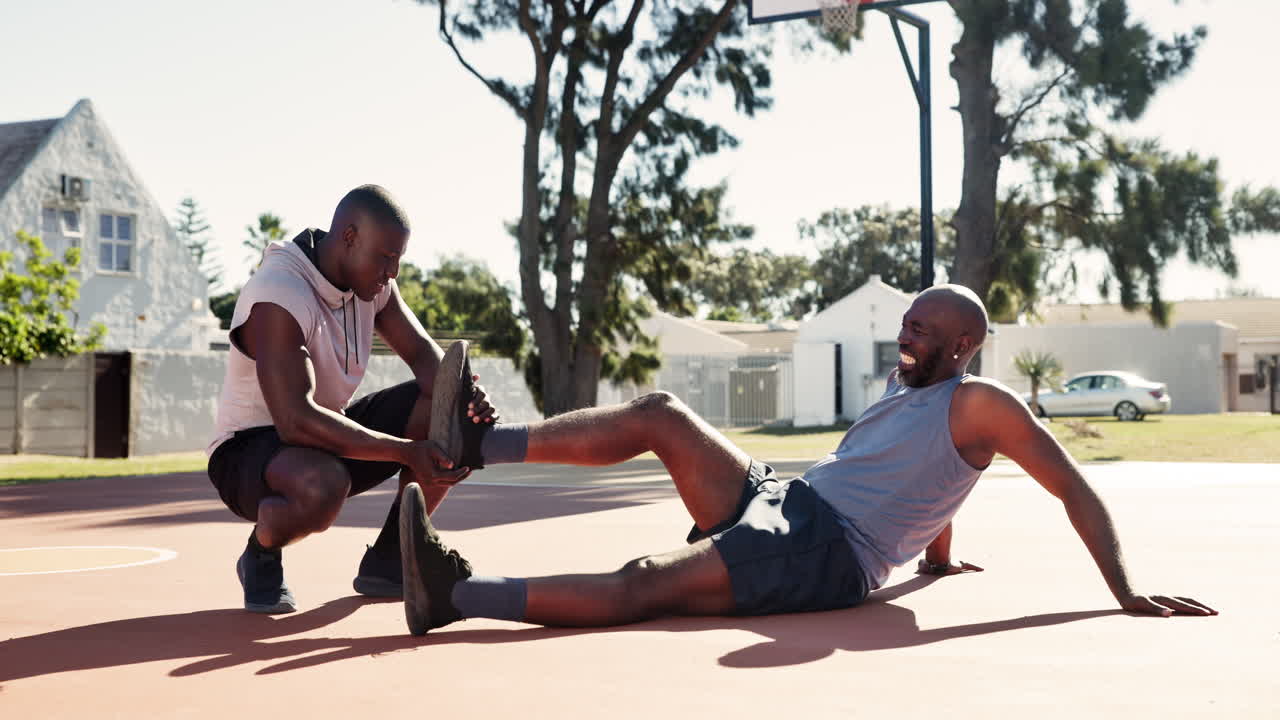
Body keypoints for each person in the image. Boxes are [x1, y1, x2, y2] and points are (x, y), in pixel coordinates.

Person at [397, 284, 1217, 635]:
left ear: (964, 346)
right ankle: (476, 444)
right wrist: (939, 553)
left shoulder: (984, 403)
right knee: (660, 414)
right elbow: (931, 474)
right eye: (907, 321)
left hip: (823, 552)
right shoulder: (909, 387)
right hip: (788, 502)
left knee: (647, 577)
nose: (908, 333)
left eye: (924, 329)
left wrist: (1125, 590)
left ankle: (454, 595)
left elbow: (1070, 487)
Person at [205, 184, 511, 614]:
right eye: (386, 258)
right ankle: (261, 552)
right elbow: (294, 420)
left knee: (444, 411)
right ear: (349, 237)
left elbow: (426, 357)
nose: (393, 272)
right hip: (248, 451)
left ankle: (391, 558)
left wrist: (465, 399)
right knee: (325, 485)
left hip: (323, 435)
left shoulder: (373, 286)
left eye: (399, 259)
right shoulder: (278, 293)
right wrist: (407, 452)